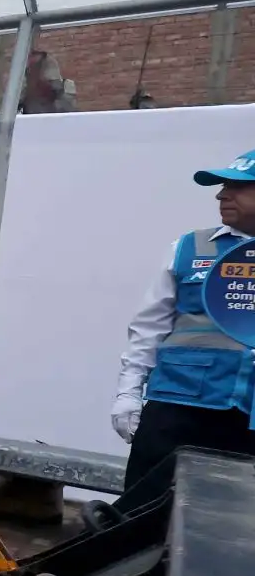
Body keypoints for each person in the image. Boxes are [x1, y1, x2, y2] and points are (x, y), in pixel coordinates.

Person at [94, 149, 255, 525]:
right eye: (222, 186)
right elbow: (148, 327)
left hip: (247, 419)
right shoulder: (190, 248)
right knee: (138, 518)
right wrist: (128, 394)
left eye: (237, 186)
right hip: (177, 407)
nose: (221, 195)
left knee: (230, 528)